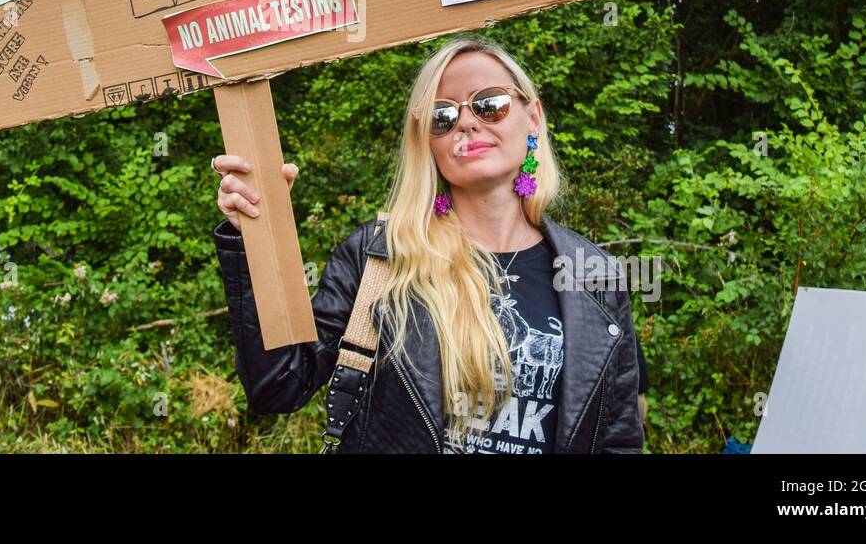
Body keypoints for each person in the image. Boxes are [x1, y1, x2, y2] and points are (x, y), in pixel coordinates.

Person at [210, 36, 646, 453]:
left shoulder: (594, 276)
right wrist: (257, 234)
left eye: (489, 104)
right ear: (428, 141)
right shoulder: (379, 256)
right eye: (442, 115)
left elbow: (618, 440)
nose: (467, 122)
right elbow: (279, 386)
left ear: (532, 116)